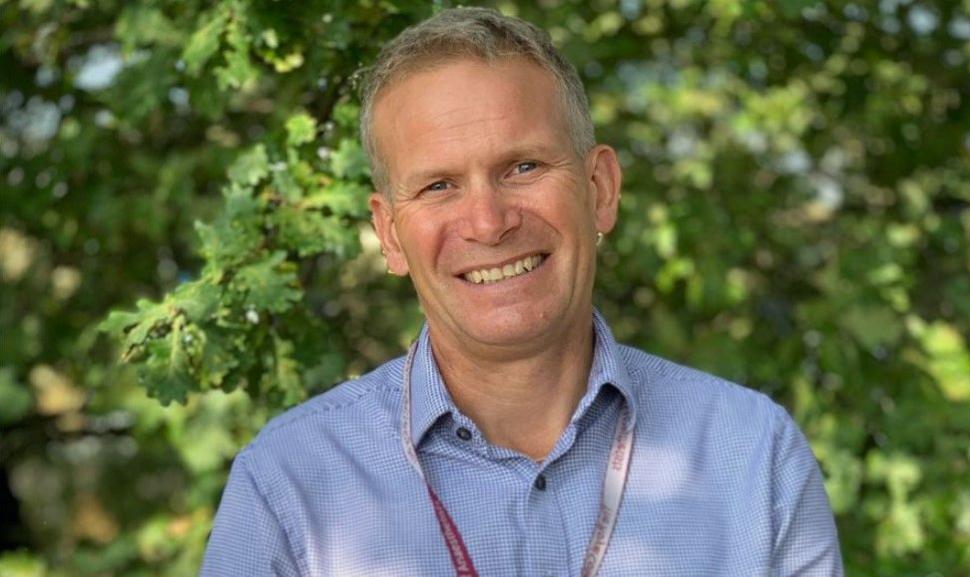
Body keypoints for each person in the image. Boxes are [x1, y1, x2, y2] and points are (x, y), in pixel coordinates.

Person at [200, 7, 842, 576]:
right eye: (438, 186)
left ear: (600, 190)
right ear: (390, 235)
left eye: (524, 167)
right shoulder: (290, 485)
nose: (489, 222)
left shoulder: (753, 456)